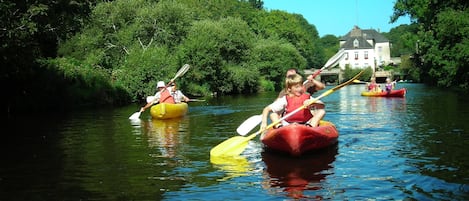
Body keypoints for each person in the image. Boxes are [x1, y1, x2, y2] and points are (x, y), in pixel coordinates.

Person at [260, 74, 326, 134]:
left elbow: (322, 106)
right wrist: (264, 123)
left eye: (301, 86)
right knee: (273, 114)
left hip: (306, 123)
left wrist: (313, 103)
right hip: (287, 124)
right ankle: (280, 128)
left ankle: (311, 128)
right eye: (297, 87)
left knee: (321, 112)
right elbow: (266, 109)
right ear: (289, 89)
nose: (300, 89)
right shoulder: (285, 99)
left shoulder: (307, 97)